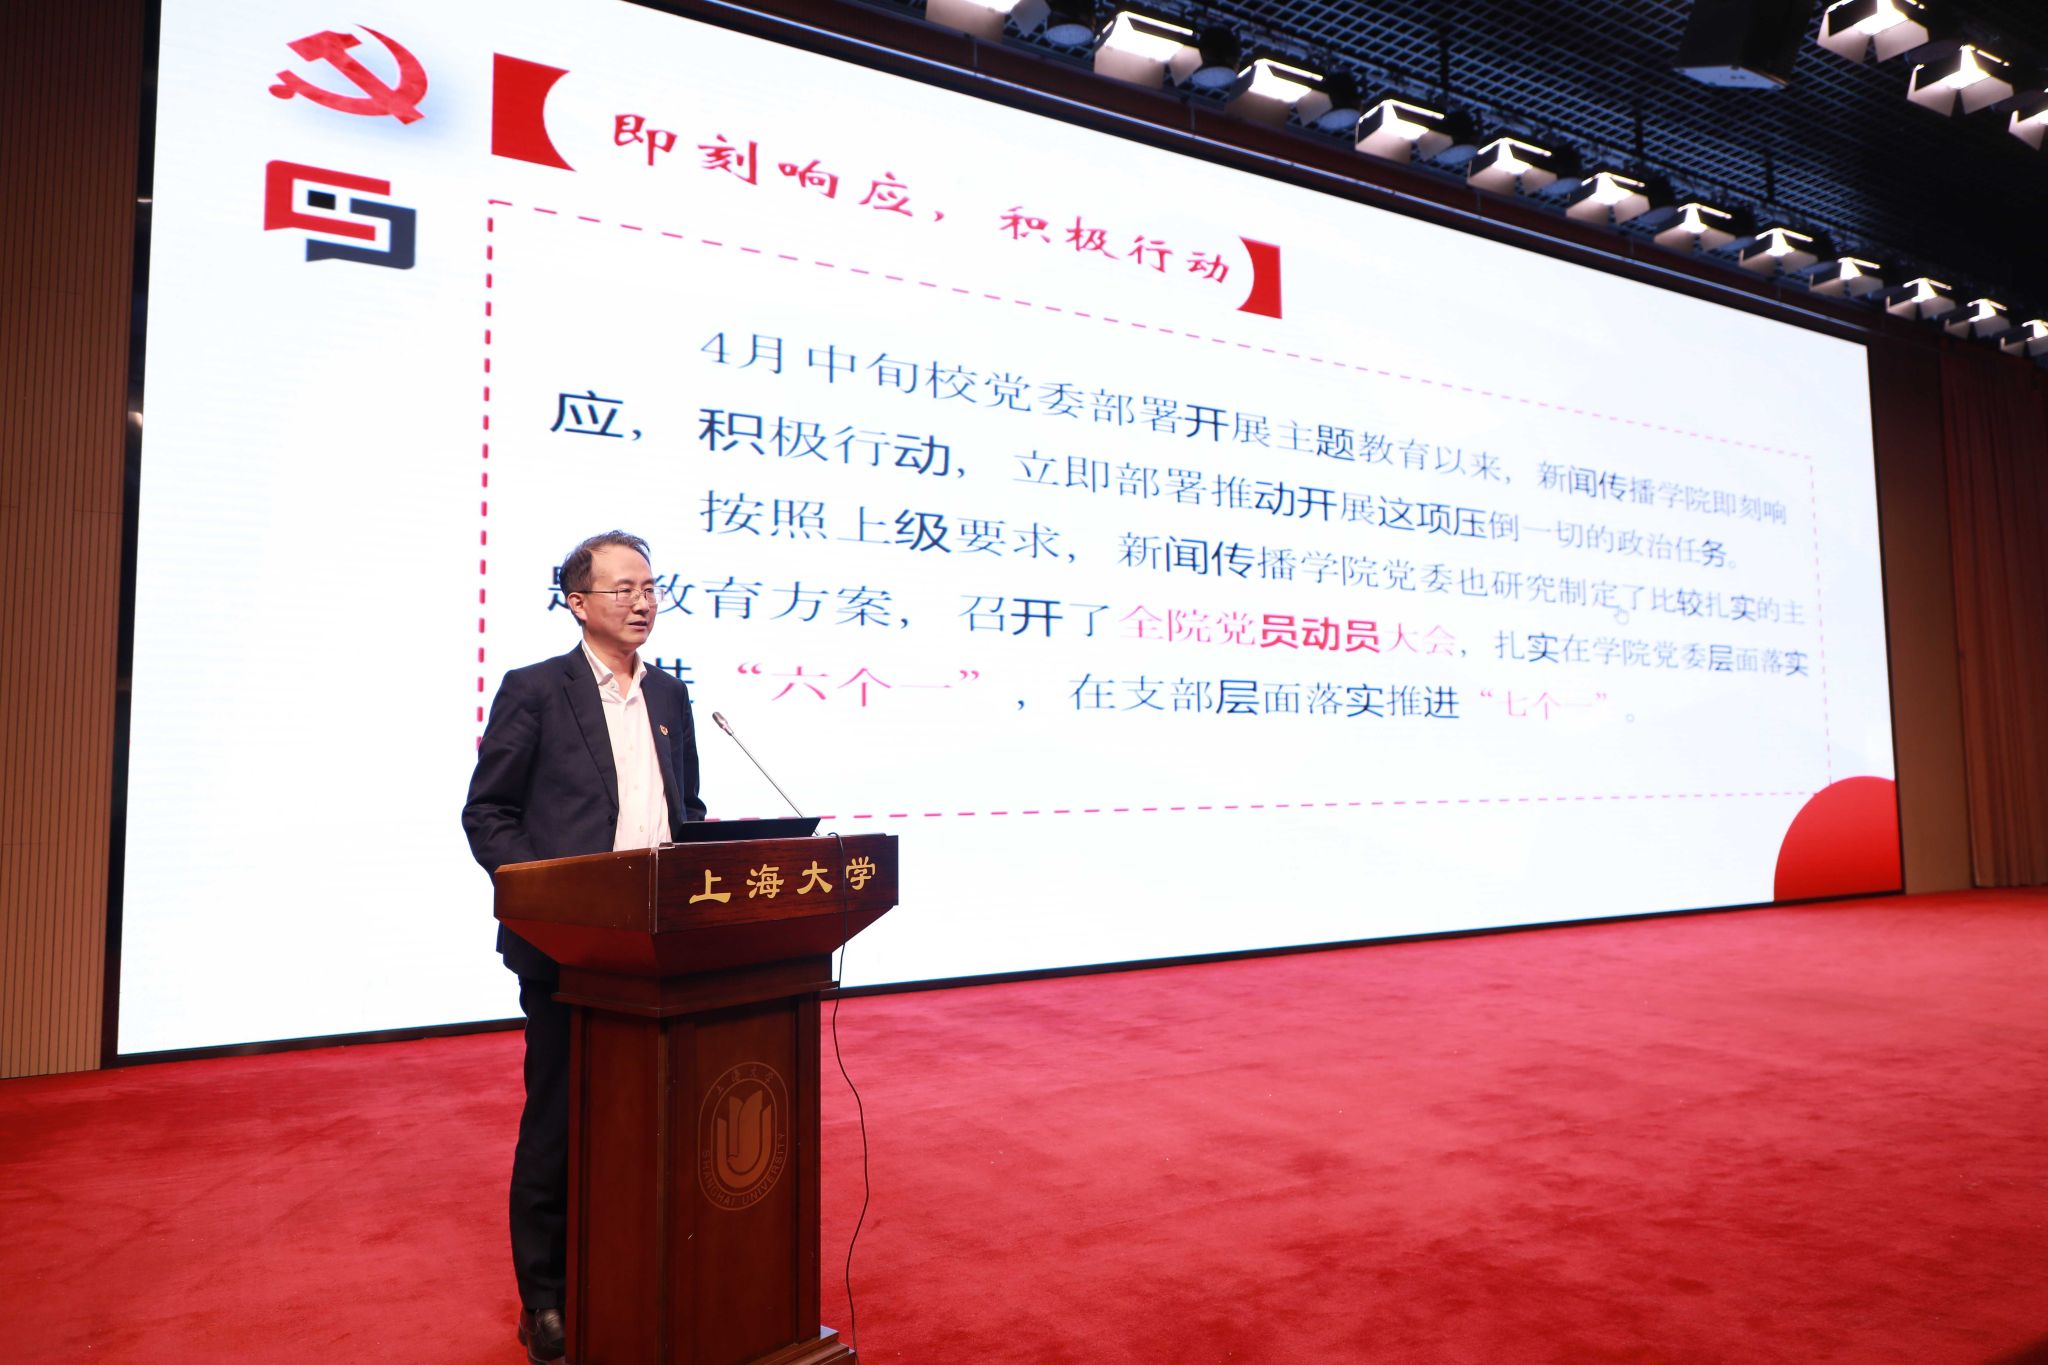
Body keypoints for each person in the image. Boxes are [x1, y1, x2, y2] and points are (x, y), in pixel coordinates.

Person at [461, 530, 706, 1365]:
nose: (642, 601)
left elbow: (686, 814)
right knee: (560, 1120)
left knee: (658, 1120)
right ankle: (547, 1298)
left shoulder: (669, 695)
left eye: (651, 587)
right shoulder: (536, 689)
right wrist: (549, 901)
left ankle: (647, 1264)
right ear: (577, 602)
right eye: (623, 588)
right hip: (569, 950)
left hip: (662, 949)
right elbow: (489, 813)